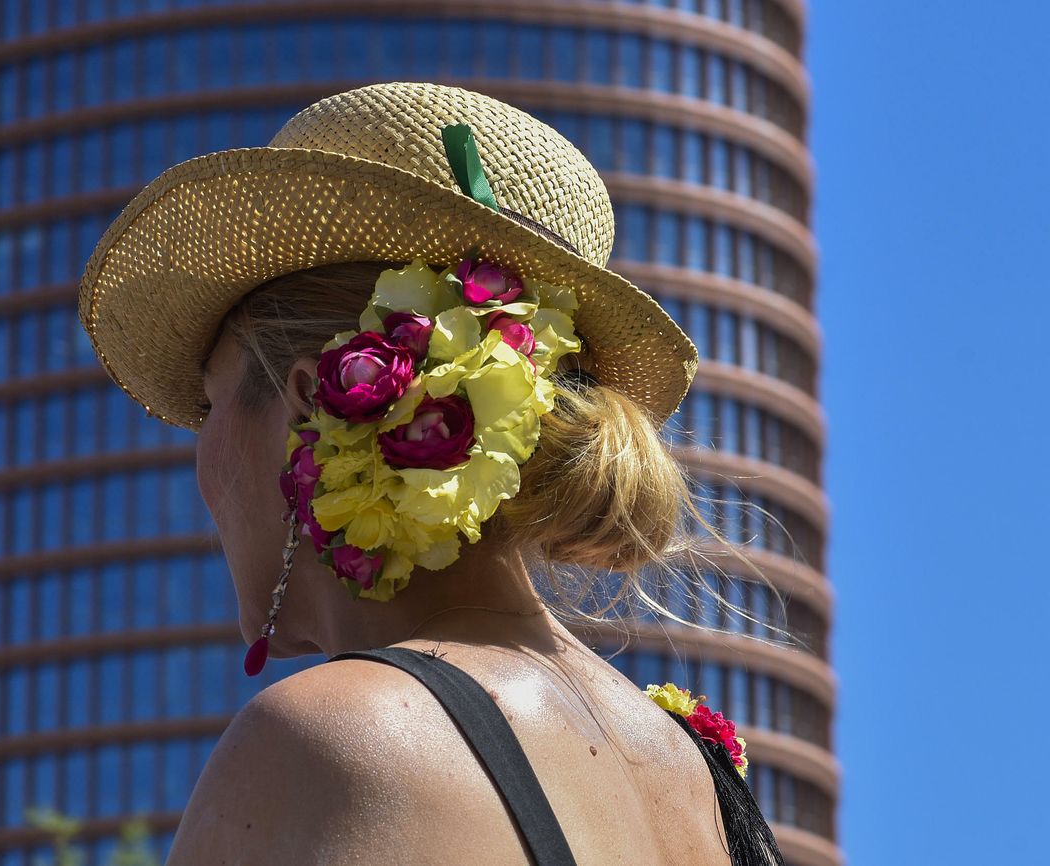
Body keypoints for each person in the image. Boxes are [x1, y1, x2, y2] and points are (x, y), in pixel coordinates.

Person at [79, 82, 787, 865]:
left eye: (211, 411)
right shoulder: (699, 778)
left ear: (317, 399)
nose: (203, 462)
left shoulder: (331, 745)